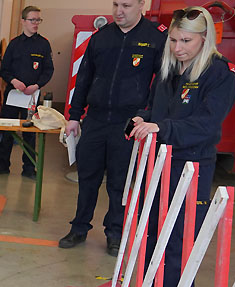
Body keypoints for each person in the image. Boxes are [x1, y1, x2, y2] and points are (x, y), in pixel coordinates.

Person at [130, 7, 235, 287]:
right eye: (174, 40)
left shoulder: (220, 74)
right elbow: (155, 109)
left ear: (205, 40)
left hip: (191, 167)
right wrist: (144, 118)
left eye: (186, 41)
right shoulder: (169, 69)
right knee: (151, 234)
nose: (178, 48)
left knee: (179, 241)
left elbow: (207, 125)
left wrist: (161, 128)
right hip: (158, 162)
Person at [60, 0, 166, 257]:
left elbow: (161, 85)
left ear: (141, 4)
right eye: (116, 4)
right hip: (95, 119)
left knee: (120, 181)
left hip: (129, 122)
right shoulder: (101, 37)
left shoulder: (155, 38)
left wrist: (145, 116)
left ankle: (115, 233)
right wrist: (74, 116)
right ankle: (79, 227)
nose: (119, 11)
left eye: (127, 5)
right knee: (87, 178)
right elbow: (83, 78)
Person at [0, 6, 53, 179]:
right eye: (32, 20)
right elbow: (4, 70)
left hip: (32, 96)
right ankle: (3, 164)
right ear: (23, 21)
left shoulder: (43, 44)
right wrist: (13, 81)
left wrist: (37, 85)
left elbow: (48, 70)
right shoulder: (14, 44)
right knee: (7, 130)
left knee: (30, 132)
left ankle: (29, 168)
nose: (36, 24)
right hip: (13, 95)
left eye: (38, 20)